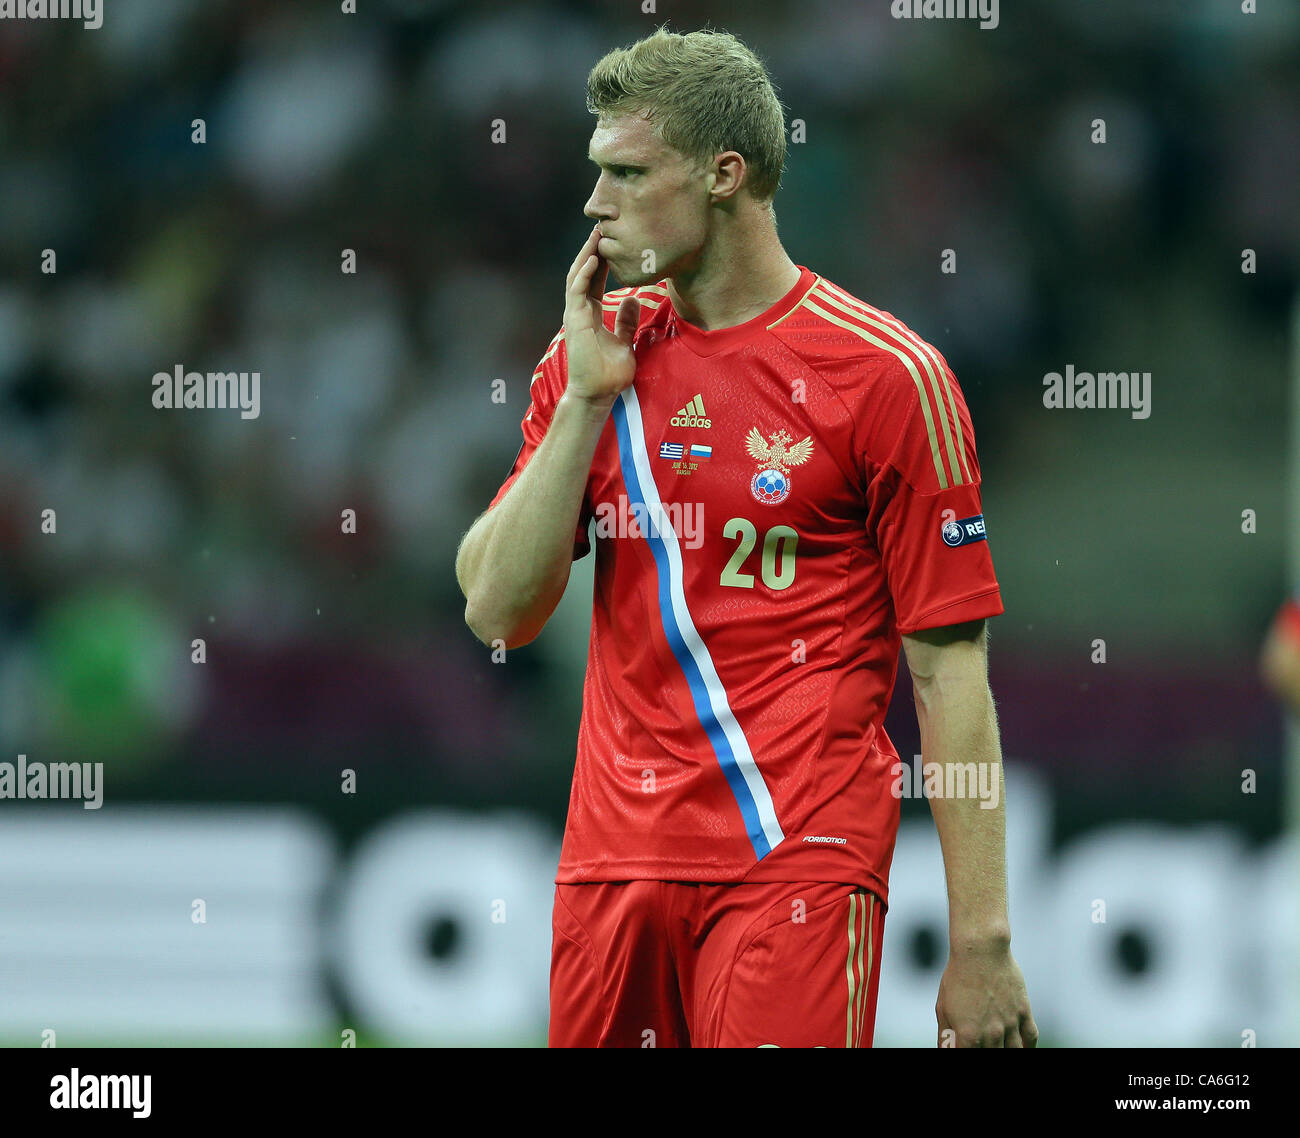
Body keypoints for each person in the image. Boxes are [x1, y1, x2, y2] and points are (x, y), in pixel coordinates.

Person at [455, 26, 1036, 1048]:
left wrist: (980, 939)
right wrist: (585, 401)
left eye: (627, 171)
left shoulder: (888, 377)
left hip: (795, 861)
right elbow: (497, 606)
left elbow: (949, 679)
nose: (595, 203)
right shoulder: (592, 358)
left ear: (724, 175)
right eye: (597, 173)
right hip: (611, 867)